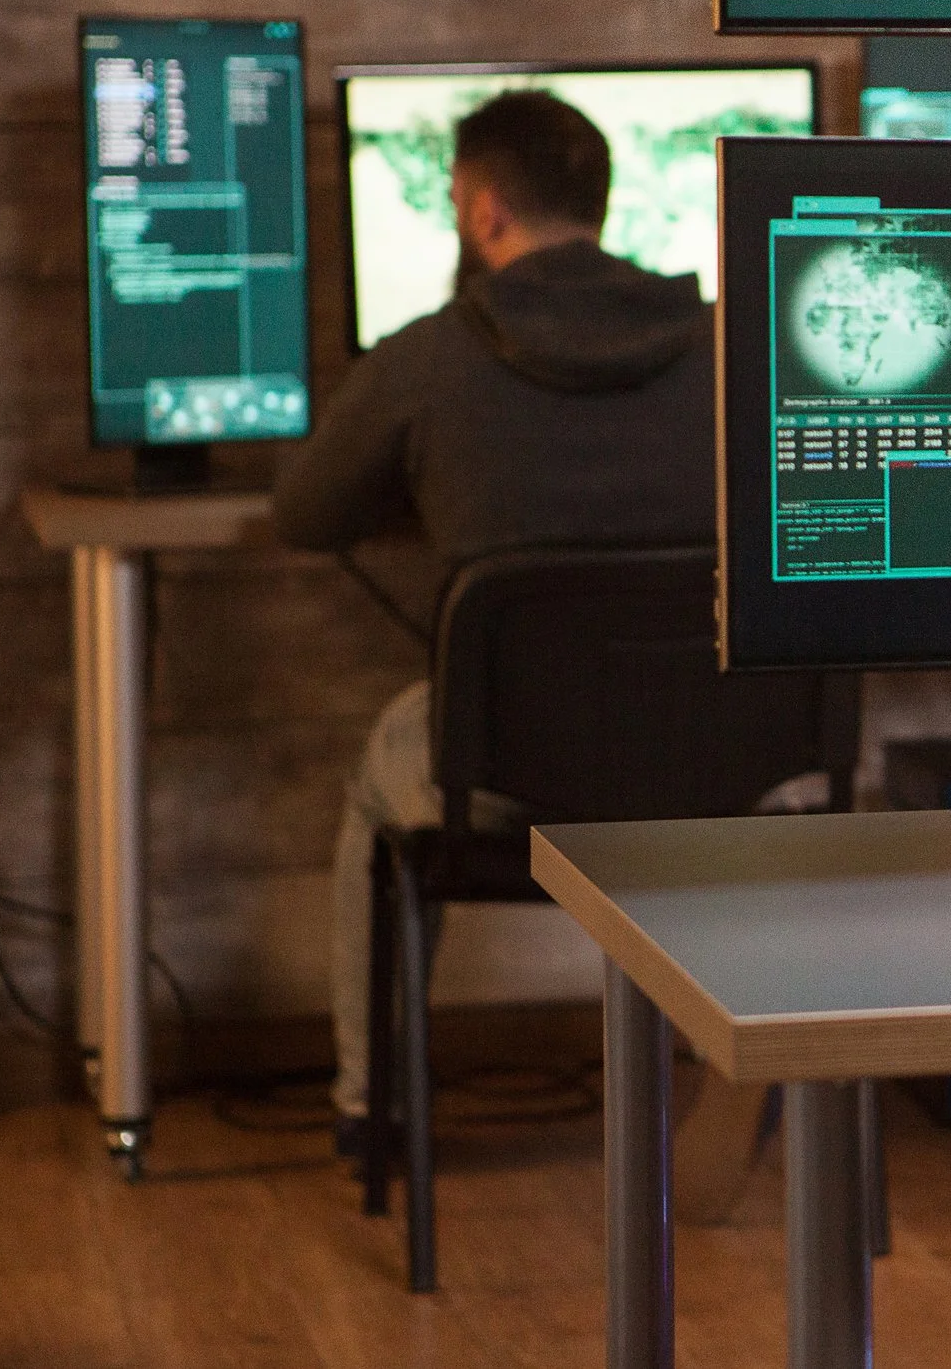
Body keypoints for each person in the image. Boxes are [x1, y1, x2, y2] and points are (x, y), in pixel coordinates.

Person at [272, 90, 713, 1142]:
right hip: (713, 766)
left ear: (479, 210)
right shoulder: (726, 339)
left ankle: (369, 1105)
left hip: (509, 773)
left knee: (385, 758)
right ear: (602, 203)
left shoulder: (428, 355)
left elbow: (304, 514)